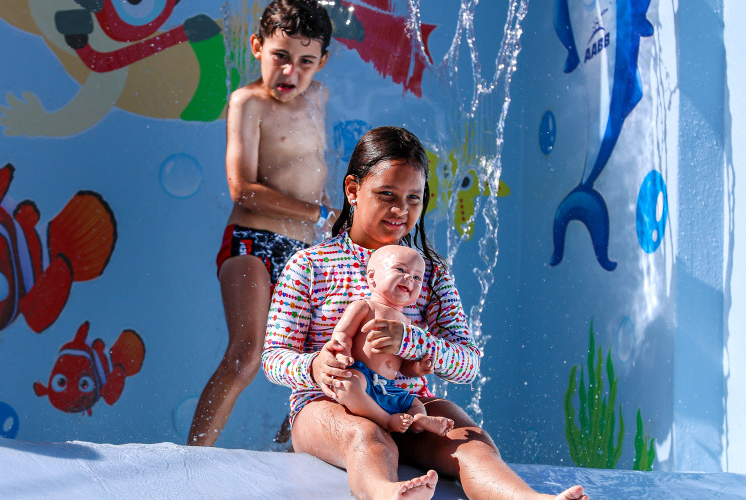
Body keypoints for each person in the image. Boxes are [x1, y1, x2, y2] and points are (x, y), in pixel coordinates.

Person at [262, 126, 588, 499]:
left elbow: (467, 364)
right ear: (353, 190)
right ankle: (387, 493)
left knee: (472, 442)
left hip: (407, 406)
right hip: (328, 405)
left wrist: (414, 342)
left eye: (413, 198)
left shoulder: (431, 274)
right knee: (366, 435)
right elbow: (273, 358)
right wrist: (315, 367)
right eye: (386, 195)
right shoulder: (310, 265)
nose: (400, 210)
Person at [188, 0, 334, 446]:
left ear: (321, 62)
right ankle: (191, 461)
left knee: (326, 364)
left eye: (305, 61)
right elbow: (243, 189)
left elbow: (312, 171)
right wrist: (316, 213)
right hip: (252, 242)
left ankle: (294, 455)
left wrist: (335, 217)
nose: (291, 72)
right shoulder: (248, 102)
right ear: (257, 47)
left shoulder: (319, 98)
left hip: (304, 252)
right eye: (280, 56)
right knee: (247, 355)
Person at [330, 244, 455, 436]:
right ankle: (385, 420)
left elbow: (402, 366)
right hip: (361, 375)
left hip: (387, 386)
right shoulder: (364, 307)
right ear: (372, 276)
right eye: (400, 270)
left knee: (415, 403)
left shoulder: (408, 324)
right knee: (345, 385)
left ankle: (418, 420)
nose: (409, 278)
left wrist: (416, 368)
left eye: (417, 278)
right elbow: (342, 334)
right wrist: (343, 353)